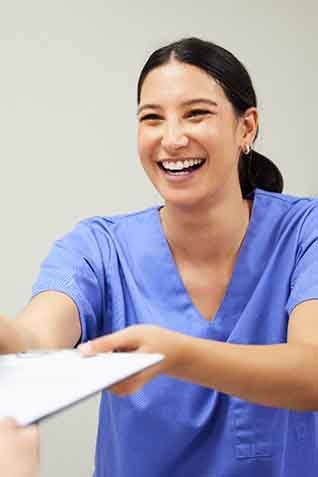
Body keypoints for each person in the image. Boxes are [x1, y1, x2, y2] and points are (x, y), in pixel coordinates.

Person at [1, 37, 318, 476]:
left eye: (196, 113)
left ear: (247, 127)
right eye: (152, 118)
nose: (172, 138)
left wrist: (176, 356)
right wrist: (10, 343)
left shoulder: (305, 233)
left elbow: (312, 371)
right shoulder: (98, 247)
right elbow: (33, 342)